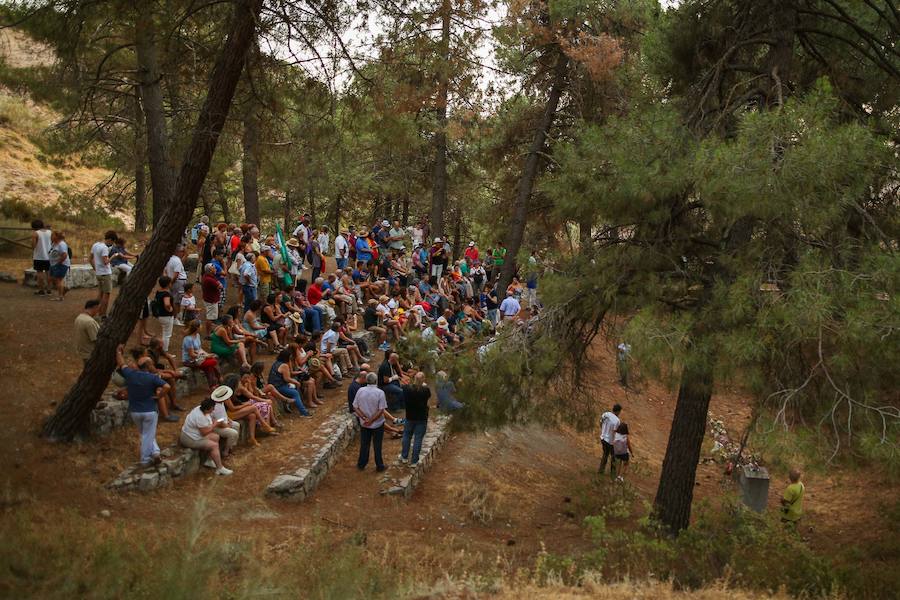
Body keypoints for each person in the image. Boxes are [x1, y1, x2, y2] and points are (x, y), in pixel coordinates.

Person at [115, 344, 169, 465]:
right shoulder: (152, 377)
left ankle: (155, 452)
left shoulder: (130, 374)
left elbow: (121, 364)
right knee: (147, 435)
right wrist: (159, 396)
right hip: (150, 410)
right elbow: (167, 386)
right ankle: (145, 459)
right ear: (148, 367)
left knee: (146, 433)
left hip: (135, 411)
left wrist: (118, 352)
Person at [180, 397, 233, 476]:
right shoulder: (199, 417)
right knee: (214, 445)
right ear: (207, 409)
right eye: (213, 408)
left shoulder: (200, 409)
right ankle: (220, 468)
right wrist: (215, 424)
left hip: (195, 435)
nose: (214, 409)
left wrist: (217, 423)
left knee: (216, 437)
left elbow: (209, 422)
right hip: (189, 439)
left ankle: (209, 460)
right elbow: (205, 432)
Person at [353, 372, 387, 472]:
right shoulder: (380, 392)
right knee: (377, 445)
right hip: (377, 424)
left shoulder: (360, 390)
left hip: (364, 424)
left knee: (364, 444)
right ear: (375, 381)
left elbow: (355, 406)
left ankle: (361, 464)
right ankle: (379, 465)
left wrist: (364, 418)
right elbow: (381, 410)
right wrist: (371, 420)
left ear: (367, 380)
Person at [267, 347, 313, 417]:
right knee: (295, 393)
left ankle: (294, 405)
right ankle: (304, 412)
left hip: (275, 384)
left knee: (294, 388)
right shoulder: (284, 365)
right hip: (278, 386)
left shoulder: (276, 363)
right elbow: (287, 379)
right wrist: (296, 382)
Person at [399, 372, 431, 466]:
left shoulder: (407, 389)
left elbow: (404, 386)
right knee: (418, 439)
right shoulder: (425, 390)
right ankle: (414, 461)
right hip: (421, 417)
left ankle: (404, 457)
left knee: (406, 436)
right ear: (423, 380)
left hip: (410, 416)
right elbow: (428, 397)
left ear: (414, 379)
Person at [182, 319, 221, 388]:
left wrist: (207, 354)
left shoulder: (197, 336)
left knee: (210, 363)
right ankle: (217, 380)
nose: (202, 327)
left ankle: (214, 384)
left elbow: (199, 349)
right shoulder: (188, 339)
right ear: (197, 327)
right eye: (200, 326)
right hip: (189, 360)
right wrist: (205, 357)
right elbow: (192, 355)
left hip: (198, 357)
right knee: (213, 362)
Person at [91, 230, 116, 316]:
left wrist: (95, 268)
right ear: (109, 239)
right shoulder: (105, 248)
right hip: (105, 274)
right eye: (112, 241)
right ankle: (103, 315)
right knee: (106, 296)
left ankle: (95, 311)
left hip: (99, 274)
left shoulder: (95, 245)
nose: (112, 244)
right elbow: (106, 262)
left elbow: (90, 258)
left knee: (100, 294)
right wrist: (113, 256)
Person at [165, 244, 188, 322]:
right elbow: (176, 274)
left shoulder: (169, 259)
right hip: (178, 281)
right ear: (177, 252)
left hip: (173, 281)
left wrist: (168, 281)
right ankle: (176, 318)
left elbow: (165, 271)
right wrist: (171, 282)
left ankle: (173, 316)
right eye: (182, 251)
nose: (183, 253)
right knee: (177, 301)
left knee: (174, 299)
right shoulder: (177, 260)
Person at [152, 275, 176, 352]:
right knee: (167, 334)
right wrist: (170, 309)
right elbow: (167, 304)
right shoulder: (166, 294)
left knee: (164, 332)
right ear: (168, 284)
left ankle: (162, 347)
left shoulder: (158, 291)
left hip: (160, 314)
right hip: (166, 315)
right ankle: (164, 350)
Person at [75, 299, 101, 364]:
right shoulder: (90, 322)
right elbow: (96, 339)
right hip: (90, 353)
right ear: (95, 307)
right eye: (98, 308)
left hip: (83, 351)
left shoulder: (79, 317)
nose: (98, 311)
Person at [599, 403, 622, 478]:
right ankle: (612, 474)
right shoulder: (617, 420)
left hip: (603, 438)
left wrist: (603, 431)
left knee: (605, 454)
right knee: (614, 457)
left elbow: (600, 422)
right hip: (610, 441)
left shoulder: (606, 414)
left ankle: (601, 471)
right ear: (618, 411)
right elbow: (615, 432)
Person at [31, 219, 53, 296]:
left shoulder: (35, 233)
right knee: (48, 273)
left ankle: (41, 290)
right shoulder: (50, 232)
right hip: (49, 256)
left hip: (39, 256)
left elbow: (33, 246)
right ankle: (49, 289)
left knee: (40, 273)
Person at [200, 263, 222, 336]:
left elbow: (218, 284)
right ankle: (208, 334)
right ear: (210, 270)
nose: (215, 269)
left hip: (210, 299)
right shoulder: (209, 279)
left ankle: (210, 331)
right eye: (214, 268)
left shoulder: (209, 276)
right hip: (211, 300)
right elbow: (220, 286)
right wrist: (219, 285)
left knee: (211, 317)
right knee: (210, 318)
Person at [48, 230, 70, 301]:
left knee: (58, 280)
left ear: (57, 237)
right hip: (53, 264)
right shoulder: (54, 243)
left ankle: (60, 296)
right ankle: (64, 288)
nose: (51, 237)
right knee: (51, 278)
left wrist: (58, 263)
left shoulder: (61, 244)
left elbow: (64, 255)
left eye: (52, 235)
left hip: (61, 264)